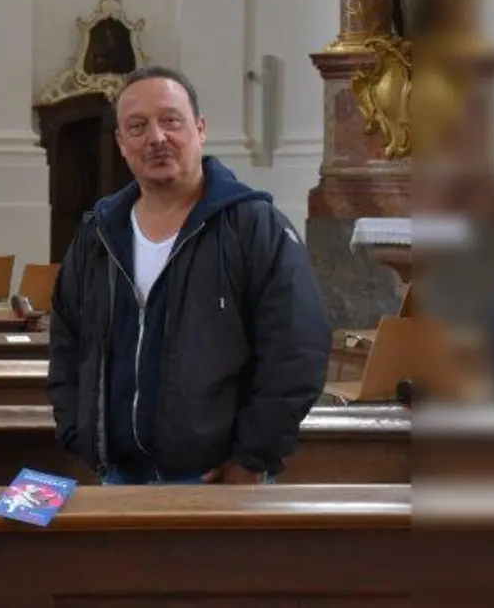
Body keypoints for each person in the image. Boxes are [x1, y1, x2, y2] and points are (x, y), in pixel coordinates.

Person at [46, 66, 330, 485]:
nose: (156, 137)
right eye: (137, 127)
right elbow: (67, 341)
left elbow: (296, 350)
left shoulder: (252, 225)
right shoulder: (99, 234)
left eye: (171, 120)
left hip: (216, 479)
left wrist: (252, 457)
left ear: (199, 128)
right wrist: (78, 431)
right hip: (118, 477)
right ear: (122, 143)